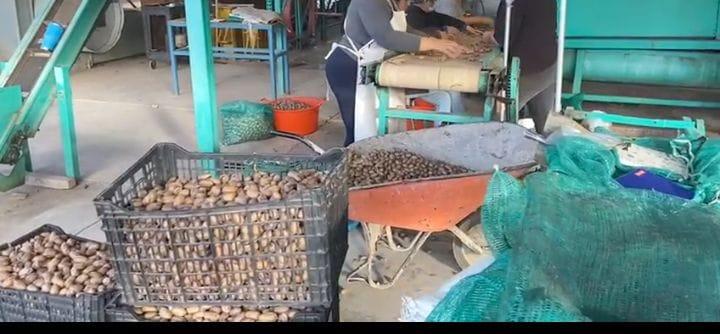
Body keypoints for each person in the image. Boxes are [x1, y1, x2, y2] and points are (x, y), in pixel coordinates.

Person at [324, 0, 468, 146]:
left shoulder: (389, 3)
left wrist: (433, 41)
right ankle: (348, 163)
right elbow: (387, 37)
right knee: (358, 128)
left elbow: (405, 30)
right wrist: (433, 44)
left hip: (371, 68)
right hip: (348, 67)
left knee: (373, 125)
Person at [493, 0, 558, 133]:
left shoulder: (512, 2)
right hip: (549, 61)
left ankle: (503, 145)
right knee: (545, 121)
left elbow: (503, 37)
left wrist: (489, 37)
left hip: (528, 69)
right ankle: (546, 144)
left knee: (501, 119)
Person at [406, 0, 480, 39]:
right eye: (432, 2)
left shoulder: (428, 13)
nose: (434, 5)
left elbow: (445, 18)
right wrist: (438, 32)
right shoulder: (412, 14)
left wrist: (464, 26)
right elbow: (416, 31)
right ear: (426, 1)